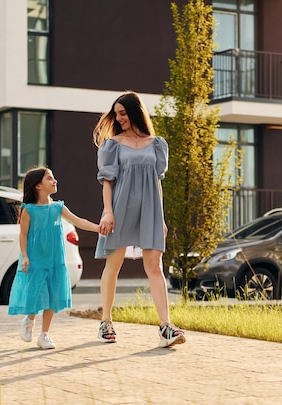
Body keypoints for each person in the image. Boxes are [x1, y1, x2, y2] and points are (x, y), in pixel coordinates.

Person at [93, 91, 186, 348]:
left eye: (123, 113)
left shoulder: (157, 144)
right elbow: (107, 182)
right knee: (114, 263)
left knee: (154, 265)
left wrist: (161, 218)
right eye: (116, 114)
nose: (119, 118)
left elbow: (157, 183)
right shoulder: (112, 144)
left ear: (135, 112)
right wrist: (108, 212)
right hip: (120, 208)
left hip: (150, 210)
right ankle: (106, 322)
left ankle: (166, 326)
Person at [8, 166, 100, 349]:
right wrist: (25, 256)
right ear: (38, 186)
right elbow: (23, 235)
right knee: (35, 294)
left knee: (51, 296)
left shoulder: (58, 207)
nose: (54, 181)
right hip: (36, 260)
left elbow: (78, 221)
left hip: (55, 260)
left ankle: (44, 335)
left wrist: (98, 228)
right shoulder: (29, 210)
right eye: (49, 178)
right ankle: (30, 319)